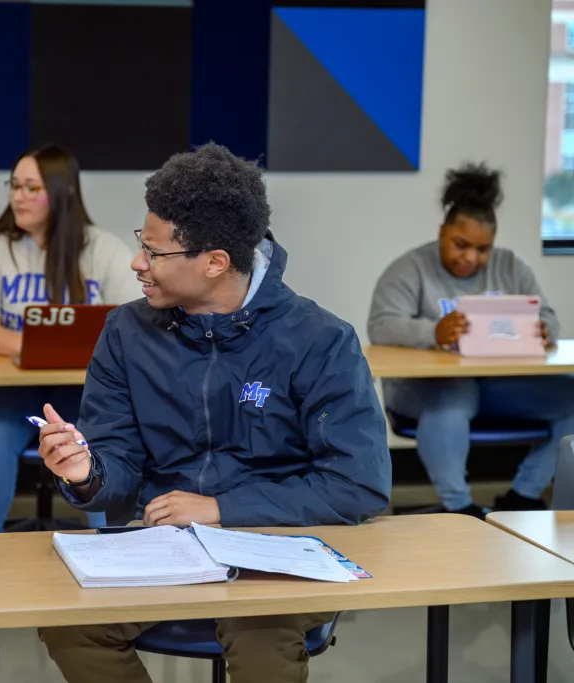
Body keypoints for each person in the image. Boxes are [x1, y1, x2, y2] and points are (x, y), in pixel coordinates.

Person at [32, 142, 392, 683]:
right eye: (141, 243)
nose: (137, 263)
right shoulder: (126, 332)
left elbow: (357, 484)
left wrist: (222, 508)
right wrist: (87, 473)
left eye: (154, 252)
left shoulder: (321, 340)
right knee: (70, 626)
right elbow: (117, 465)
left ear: (215, 262)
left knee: (260, 639)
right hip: (165, 544)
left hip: (280, 545)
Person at [367, 162, 574, 518]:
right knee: (455, 395)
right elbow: (381, 325)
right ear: (442, 232)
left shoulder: (511, 266)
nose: (470, 258)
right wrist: (433, 332)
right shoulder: (409, 268)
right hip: (424, 390)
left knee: (571, 397)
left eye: (482, 249)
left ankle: (523, 495)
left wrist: (544, 330)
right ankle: (460, 507)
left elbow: (549, 317)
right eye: (460, 245)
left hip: (497, 387)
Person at [0, 144, 142, 534]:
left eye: (31, 188)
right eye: (14, 186)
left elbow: (135, 320)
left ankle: (114, 547)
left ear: (63, 192)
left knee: (99, 442)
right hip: (4, 392)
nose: (18, 197)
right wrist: (39, 349)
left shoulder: (102, 249)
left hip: (84, 392)